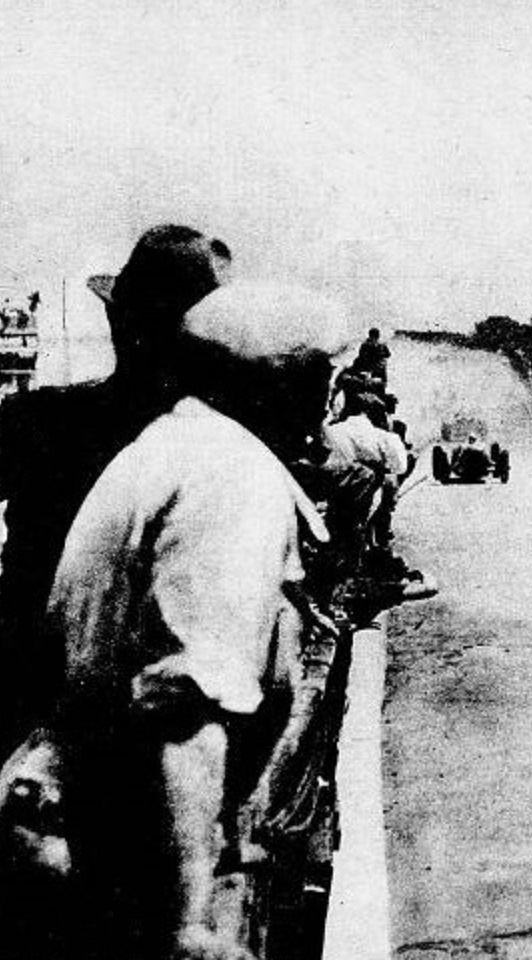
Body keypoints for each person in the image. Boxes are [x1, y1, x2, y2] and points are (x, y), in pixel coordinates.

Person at [41, 280, 352, 959]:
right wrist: (191, 920)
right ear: (283, 386)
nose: (328, 401)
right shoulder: (231, 476)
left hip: (96, 845)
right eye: (323, 378)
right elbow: (185, 701)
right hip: (138, 878)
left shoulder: (177, 445)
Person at [0, 225, 231, 754]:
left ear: (115, 321)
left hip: (23, 692)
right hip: (144, 727)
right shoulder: (211, 450)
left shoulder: (37, 419)